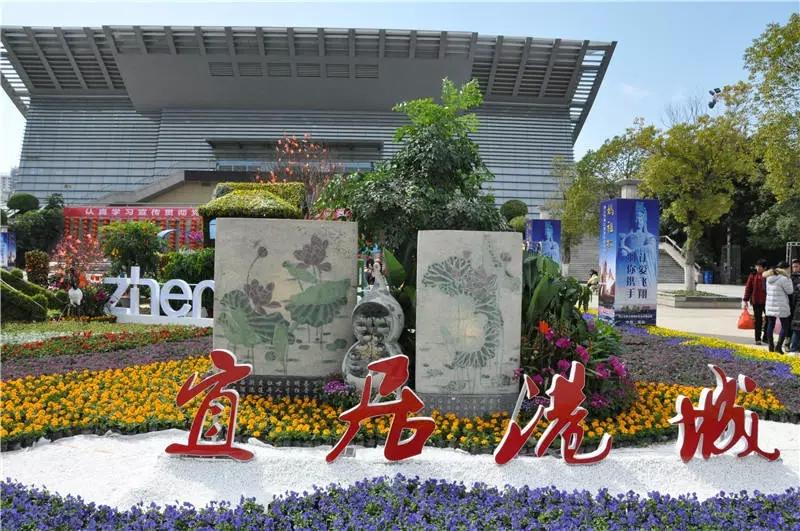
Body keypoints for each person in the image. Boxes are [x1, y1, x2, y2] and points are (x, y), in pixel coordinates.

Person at [763, 261, 793, 353]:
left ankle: (771, 346)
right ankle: (778, 346)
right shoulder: (784, 278)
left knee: (770, 324)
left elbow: (766, 290)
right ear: (785, 269)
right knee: (785, 326)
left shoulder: (769, 278)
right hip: (781, 305)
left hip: (770, 304)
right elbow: (790, 291)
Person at [743, 259, 769, 345]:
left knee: (769, 320)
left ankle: (766, 337)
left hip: (767, 301)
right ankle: (757, 339)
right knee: (758, 320)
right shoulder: (753, 275)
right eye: (757, 266)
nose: (758, 268)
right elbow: (748, 288)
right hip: (756, 301)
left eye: (760, 267)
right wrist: (745, 300)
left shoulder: (768, 276)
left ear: (765, 268)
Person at [787, 259, 800, 355]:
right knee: (793, 327)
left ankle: (795, 346)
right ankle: (790, 344)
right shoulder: (790, 278)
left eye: (796, 266)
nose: (795, 268)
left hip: (796, 306)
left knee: (796, 327)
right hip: (792, 306)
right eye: (793, 267)